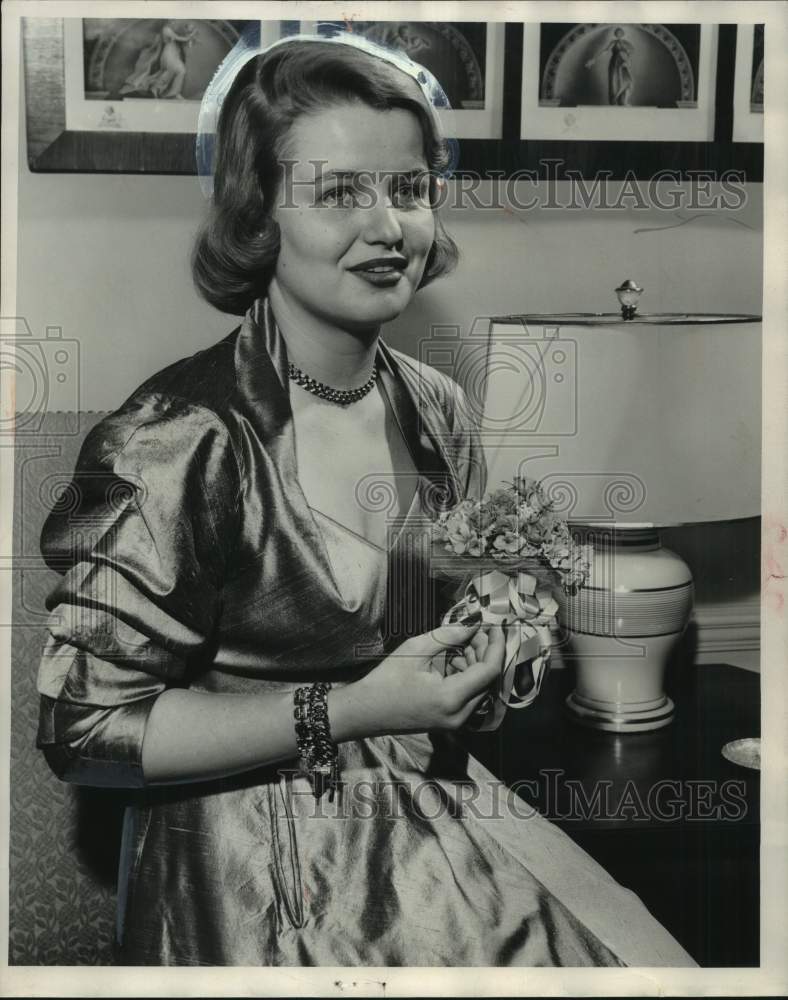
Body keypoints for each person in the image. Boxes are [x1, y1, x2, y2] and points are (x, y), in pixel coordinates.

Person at [36, 34, 696, 968]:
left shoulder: (443, 412)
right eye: (340, 192)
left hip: (426, 821)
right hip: (242, 865)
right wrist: (348, 711)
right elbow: (82, 729)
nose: (390, 227)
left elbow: (441, 671)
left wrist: (492, 664)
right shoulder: (175, 439)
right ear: (257, 209)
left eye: (412, 189)